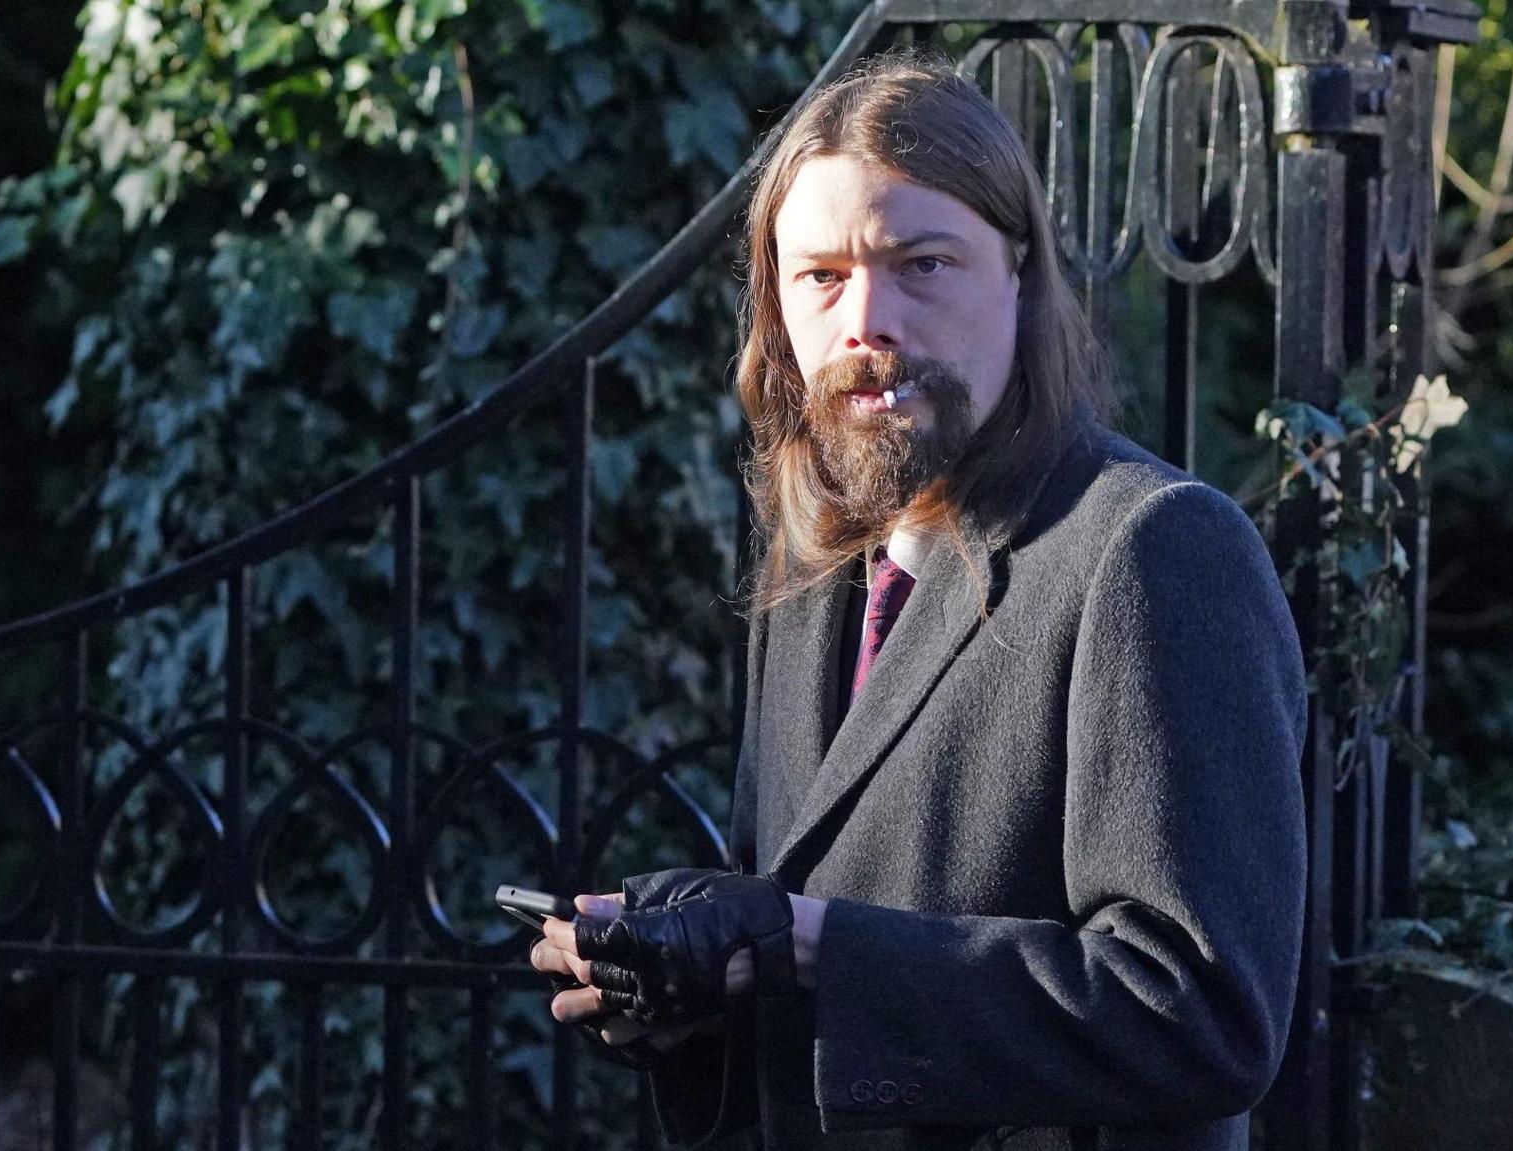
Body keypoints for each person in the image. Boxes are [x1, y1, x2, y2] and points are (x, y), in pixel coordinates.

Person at [527, 52, 1308, 1151]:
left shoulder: (1151, 545)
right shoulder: (816, 569)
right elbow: (813, 965)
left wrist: (810, 940)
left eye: (921, 263)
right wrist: (684, 986)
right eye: (820, 277)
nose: (865, 321)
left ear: (1020, 273)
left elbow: (1202, 1017)